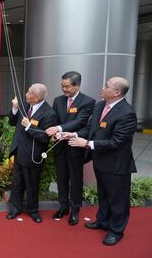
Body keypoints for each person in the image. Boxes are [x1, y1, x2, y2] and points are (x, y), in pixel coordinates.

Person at [64, 77, 137, 246]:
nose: (102, 87)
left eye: (106, 86)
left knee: (118, 200)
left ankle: (116, 231)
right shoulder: (99, 106)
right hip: (100, 162)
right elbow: (91, 129)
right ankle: (102, 221)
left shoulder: (127, 113)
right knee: (103, 195)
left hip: (117, 165)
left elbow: (117, 142)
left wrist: (87, 144)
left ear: (117, 92)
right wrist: (74, 134)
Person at [45, 71, 95, 225]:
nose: (64, 89)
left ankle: (75, 209)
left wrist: (59, 129)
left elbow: (80, 122)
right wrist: (53, 131)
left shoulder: (88, 101)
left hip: (75, 146)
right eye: (62, 86)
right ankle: (63, 206)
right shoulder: (58, 100)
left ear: (77, 85)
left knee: (75, 179)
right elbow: (53, 119)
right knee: (61, 178)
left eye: (67, 86)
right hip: (60, 146)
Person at [6, 83, 57, 223]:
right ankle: (15, 208)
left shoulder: (49, 113)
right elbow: (12, 122)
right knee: (17, 183)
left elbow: (44, 137)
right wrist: (15, 109)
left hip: (33, 156)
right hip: (19, 151)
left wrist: (29, 126)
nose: (26, 95)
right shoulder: (25, 104)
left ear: (36, 98)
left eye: (29, 93)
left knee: (32, 184)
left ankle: (33, 210)